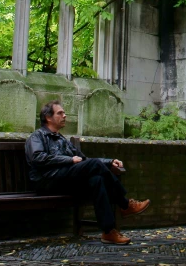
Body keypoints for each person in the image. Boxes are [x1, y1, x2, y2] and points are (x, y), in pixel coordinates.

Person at [25, 100, 150, 245]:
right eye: (60, 113)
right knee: (94, 167)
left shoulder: (61, 139)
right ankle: (125, 204)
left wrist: (109, 162)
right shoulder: (37, 136)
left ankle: (108, 232)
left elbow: (85, 160)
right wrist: (69, 160)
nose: (65, 116)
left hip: (65, 180)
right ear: (48, 117)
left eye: (64, 113)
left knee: (96, 180)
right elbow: (37, 158)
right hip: (47, 181)